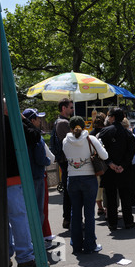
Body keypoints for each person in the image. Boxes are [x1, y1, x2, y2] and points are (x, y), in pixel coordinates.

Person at [63, 116, 108, 253]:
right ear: (84, 126)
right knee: (89, 212)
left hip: (72, 178)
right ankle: (90, 244)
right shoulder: (91, 139)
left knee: (75, 212)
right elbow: (105, 156)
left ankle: (76, 245)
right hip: (89, 178)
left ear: (70, 128)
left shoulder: (66, 141)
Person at [5, 100, 39, 267]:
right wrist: (22, 118)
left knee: (3, 222)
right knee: (19, 218)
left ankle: (5, 256)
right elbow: (35, 136)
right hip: (14, 177)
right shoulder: (14, 123)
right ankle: (25, 256)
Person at [99, 107, 135, 231]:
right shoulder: (128, 133)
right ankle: (128, 221)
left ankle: (112, 223)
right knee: (125, 196)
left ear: (113, 117)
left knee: (111, 197)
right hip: (124, 170)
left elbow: (100, 150)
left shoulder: (105, 132)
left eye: (109, 116)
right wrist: (123, 165)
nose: (108, 118)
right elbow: (131, 152)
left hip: (110, 169)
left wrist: (110, 163)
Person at [22, 108, 51, 228]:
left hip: (24, 176)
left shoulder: (21, 135)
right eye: (38, 118)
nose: (40, 121)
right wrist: (48, 161)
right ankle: (38, 242)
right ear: (32, 120)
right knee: (37, 209)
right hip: (37, 175)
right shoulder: (35, 137)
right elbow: (41, 159)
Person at [54, 98, 74, 229]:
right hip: (66, 161)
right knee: (69, 191)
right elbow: (71, 142)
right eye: (70, 107)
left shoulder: (61, 121)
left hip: (65, 161)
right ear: (63, 108)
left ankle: (68, 219)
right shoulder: (63, 123)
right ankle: (68, 219)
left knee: (69, 191)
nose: (72, 109)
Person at [90, 112, 106, 216]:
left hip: (94, 163)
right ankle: (105, 207)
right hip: (104, 162)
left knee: (97, 185)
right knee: (104, 186)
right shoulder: (106, 132)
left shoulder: (91, 133)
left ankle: (99, 207)